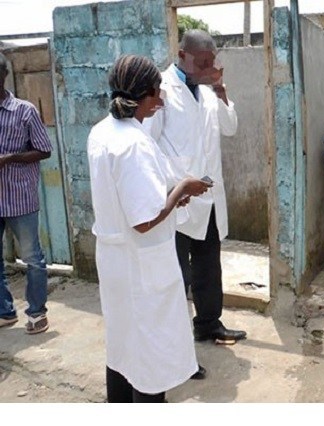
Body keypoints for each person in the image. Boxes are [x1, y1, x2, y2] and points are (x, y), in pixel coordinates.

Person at [87, 55, 211, 403]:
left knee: (122, 346)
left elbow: (129, 198)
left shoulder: (102, 133)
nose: (162, 99)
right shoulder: (134, 144)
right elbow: (143, 221)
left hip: (115, 260)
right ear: (147, 95)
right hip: (141, 268)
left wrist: (169, 197)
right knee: (149, 357)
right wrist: (182, 189)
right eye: (158, 92)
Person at [145, 30, 246, 345]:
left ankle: (208, 324)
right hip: (178, 199)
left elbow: (230, 128)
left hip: (208, 194)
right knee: (176, 274)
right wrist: (171, 186)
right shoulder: (161, 89)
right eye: (202, 62)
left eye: (211, 62)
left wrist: (220, 91)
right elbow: (147, 144)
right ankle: (174, 341)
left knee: (208, 266)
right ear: (182, 55)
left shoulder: (208, 91)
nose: (207, 68)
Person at [0, 52, 52, 335]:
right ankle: (5, 311)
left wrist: (9, 158)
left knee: (33, 258)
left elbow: (45, 149)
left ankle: (36, 312)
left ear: (3, 75)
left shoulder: (25, 110)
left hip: (20, 198)